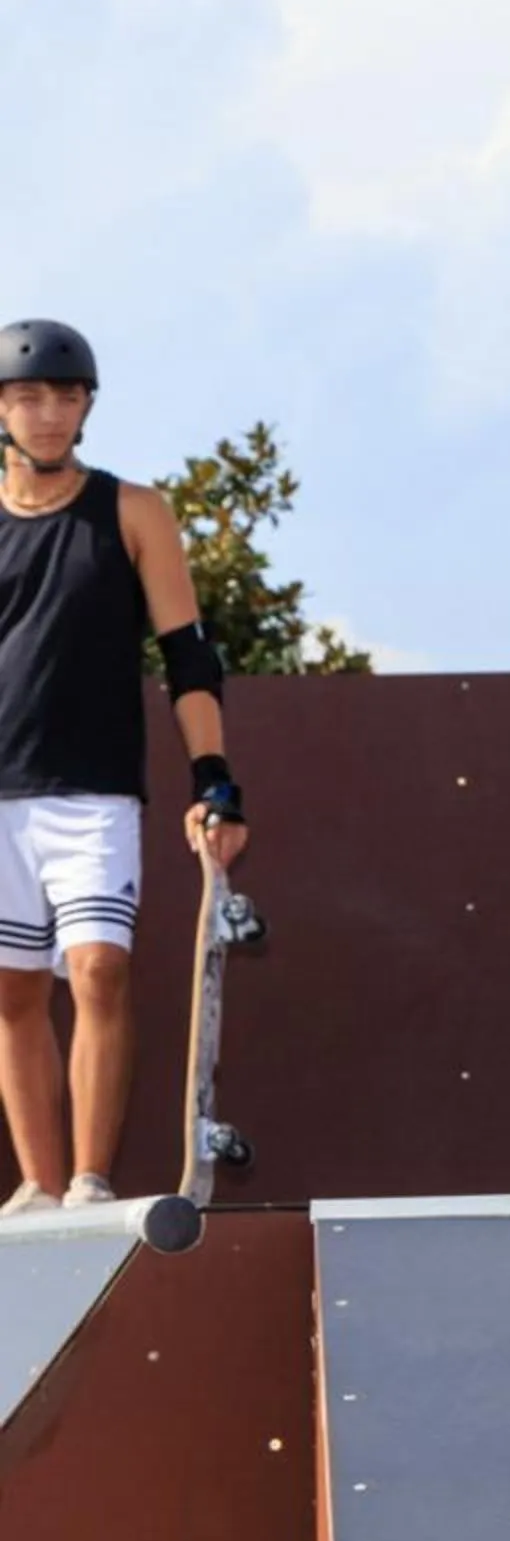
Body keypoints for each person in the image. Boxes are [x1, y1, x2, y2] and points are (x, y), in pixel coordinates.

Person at [0, 320, 251, 1214]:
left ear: (87, 407)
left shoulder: (132, 510)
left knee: (100, 969)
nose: (50, 412)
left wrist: (213, 778)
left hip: (93, 790)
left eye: (67, 396)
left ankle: (89, 1179)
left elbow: (188, 657)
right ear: (2, 408)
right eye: (30, 395)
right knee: (12, 989)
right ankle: (34, 1183)